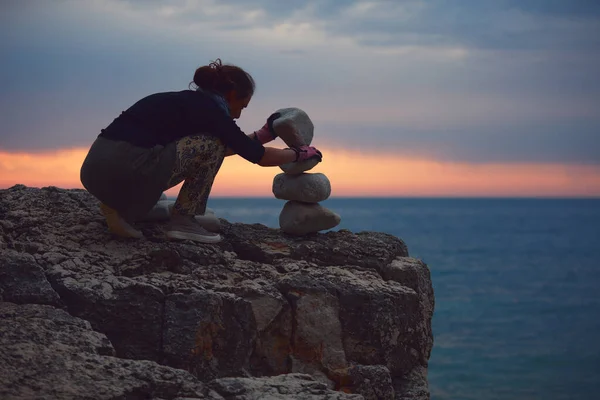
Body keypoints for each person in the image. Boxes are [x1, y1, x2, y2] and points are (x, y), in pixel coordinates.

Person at [80, 58, 322, 244]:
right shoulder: (211, 112)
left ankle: (124, 205)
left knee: (209, 146)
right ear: (231, 95)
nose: (238, 114)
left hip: (95, 171)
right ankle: (183, 221)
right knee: (210, 145)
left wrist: (262, 134)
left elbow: (226, 146)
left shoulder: (182, 102)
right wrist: (301, 154)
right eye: (241, 106)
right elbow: (257, 156)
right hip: (126, 171)